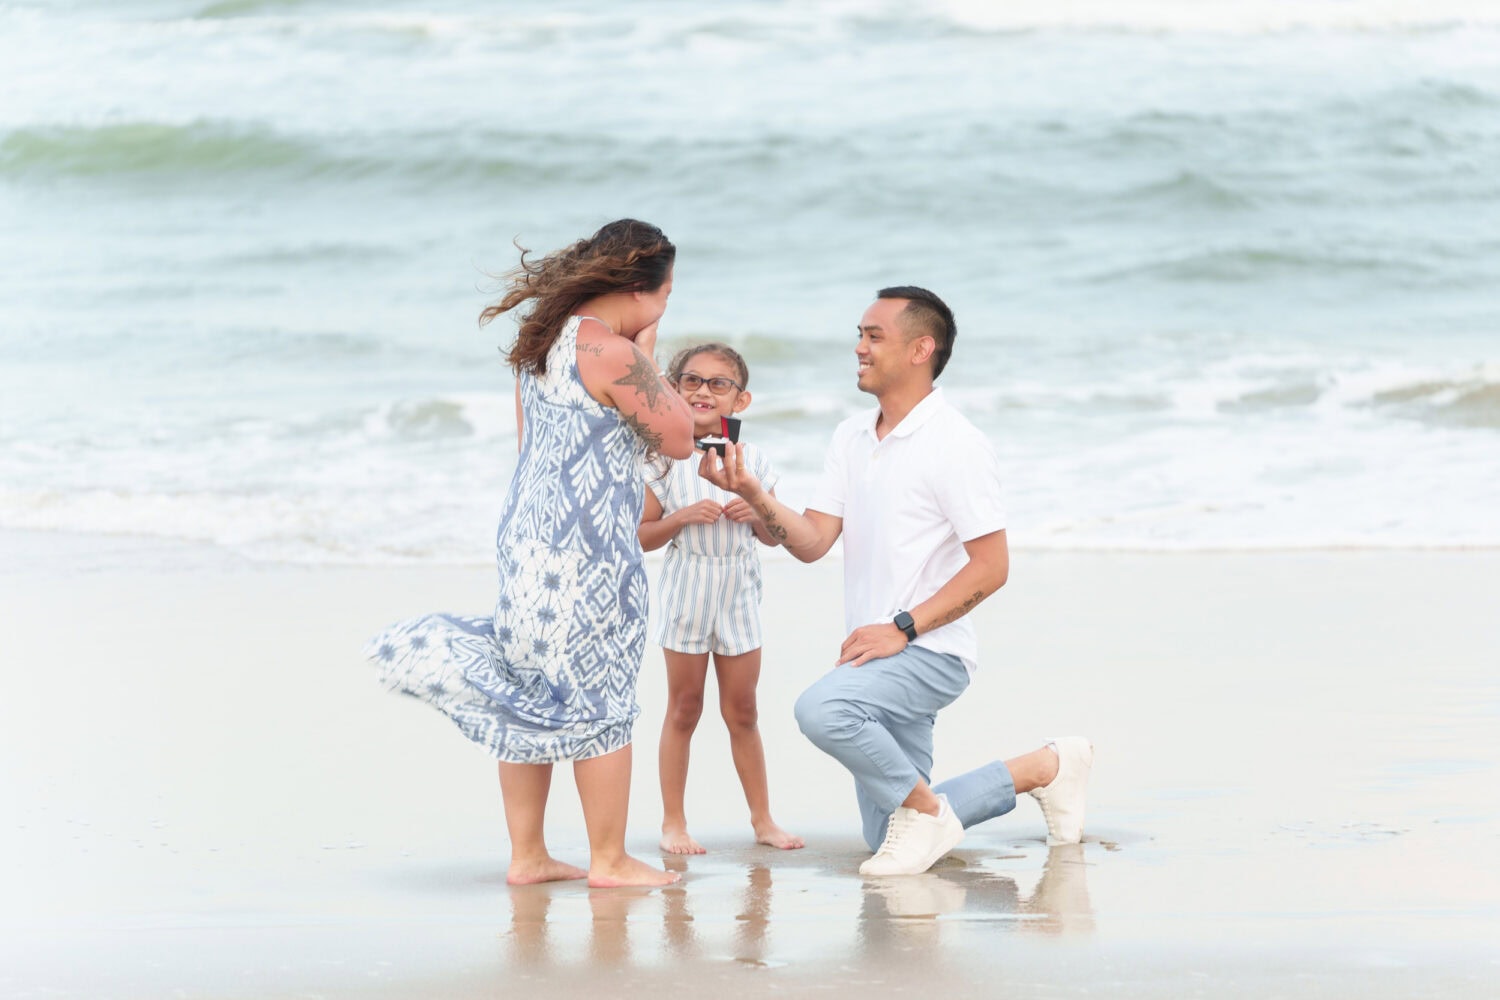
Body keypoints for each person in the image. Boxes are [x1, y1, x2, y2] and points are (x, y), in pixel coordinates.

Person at [700, 286, 1093, 876]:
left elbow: (992, 566)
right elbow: (811, 543)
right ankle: (1045, 768)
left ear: (920, 349)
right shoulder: (850, 437)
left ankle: (932, 810)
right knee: (886, 833)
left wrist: (902, 629)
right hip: (873, 653)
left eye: (873, 336)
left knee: (821, 711)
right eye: (858, 335)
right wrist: (755, 495)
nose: (859, 347)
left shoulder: (956, 444)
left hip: (928, 651)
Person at [365, 219, 695, 889]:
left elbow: (530, 444)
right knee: (600, 693)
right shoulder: (612, 352)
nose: (665, 305)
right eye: (665, 294)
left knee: (529, 685)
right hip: (591, 544)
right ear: (638, 288)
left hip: (529, 535)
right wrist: (648, 350)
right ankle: (609, 858)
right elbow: (680, 437)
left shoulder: (543, 342)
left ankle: (529, 855)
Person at [638, 343, 804, 855]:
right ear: (673, 390)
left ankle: (763, 819)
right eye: (692, 381)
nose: (704, 391)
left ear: (741, 399)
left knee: (743, 712)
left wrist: (756, 511)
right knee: (684, 708)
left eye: (718, 384)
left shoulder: (754, 460)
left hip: (739, 596)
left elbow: (777, 537)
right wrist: (681, 518)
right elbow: (641, 536)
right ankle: (673, 823)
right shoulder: (662, 459)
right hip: (687, 592)